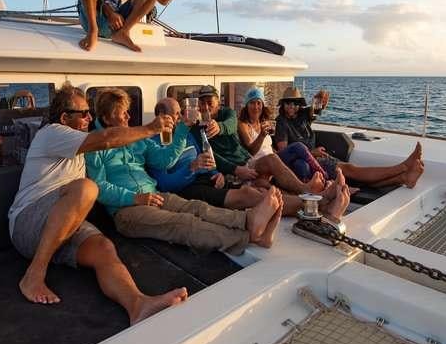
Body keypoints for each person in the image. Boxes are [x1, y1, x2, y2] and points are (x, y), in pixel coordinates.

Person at [7, 82, 188, 323]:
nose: (89, 117)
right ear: (64, 117)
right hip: (28, 221)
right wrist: (150, 128)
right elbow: (104, 139)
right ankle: (34, 274)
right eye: (83, 113)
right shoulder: (51, 133)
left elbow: (110, 148)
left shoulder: (80, 146)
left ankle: (137, 304)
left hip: (63, 222)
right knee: (85, 188)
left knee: (103, 247)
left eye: (90, 112)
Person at [84, 88, 284, 255]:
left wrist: (183, 129)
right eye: (123, 112)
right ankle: (249, 237)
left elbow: (164, 161)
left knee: (197, 207)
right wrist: (135, 198)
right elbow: (99, 188)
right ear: (107, 118)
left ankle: (247, 221)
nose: (129, 116)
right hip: (126, 211)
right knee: (182, 223)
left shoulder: (136, 137)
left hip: (155, 196)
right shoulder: (95, 146)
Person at [274, 87, 425, 188]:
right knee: (352, 170)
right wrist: (312, 153)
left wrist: (321, 98)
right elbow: (286, 152)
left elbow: (317, 107)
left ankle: (404, 178)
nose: (291, 106)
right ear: (283, 105)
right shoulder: (281, 122)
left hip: (318, 157)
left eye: (295, 103)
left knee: (354, 177)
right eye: (288, 103)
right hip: (307, 161)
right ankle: (404, 167)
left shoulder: (302, 115)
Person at [195, 85, 325, 196]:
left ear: (218, 102)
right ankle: (311, 190)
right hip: (244, 166)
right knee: (295, 153)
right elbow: (213, 156)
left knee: (288, 162)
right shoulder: (198, 129)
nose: (206, 107)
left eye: (210, 102)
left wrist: (219, 127)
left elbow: (230, 123)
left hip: (250, 161)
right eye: (202, 103)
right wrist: (235, 169)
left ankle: (310, 191)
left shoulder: (229, 114)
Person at [148, 97, 267, 209]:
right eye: (176, 114)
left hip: (206, 179)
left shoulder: (186, 135)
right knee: (247, 195)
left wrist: (216, 174)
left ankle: (275, 201)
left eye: (181, 112)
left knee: (256, 189)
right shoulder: (153, 144)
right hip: (188, 188)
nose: (181, 117)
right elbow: (165, 185)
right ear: (161, 116)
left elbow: (205, 158)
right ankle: (275, 204)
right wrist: (192, 167)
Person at [237, 87, 327, 183]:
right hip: (258, 163)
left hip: (273, 159)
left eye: (259, 103)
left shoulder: (263, 122)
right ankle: (324, 175)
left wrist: (277, 154)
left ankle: (314, 185)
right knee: (298, 146)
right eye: (252, 103)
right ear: (246, 105)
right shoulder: (243, 124)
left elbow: (268, 147)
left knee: (302, 165)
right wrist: (262, 135)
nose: (256, 107)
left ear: (263, 105)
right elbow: (251, 151)